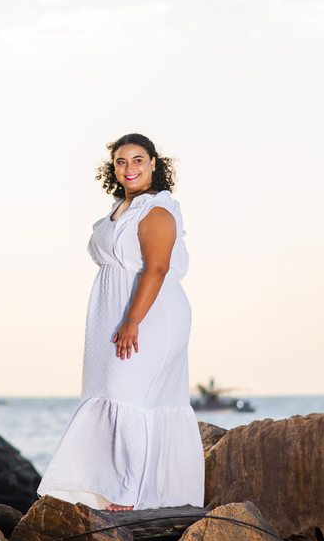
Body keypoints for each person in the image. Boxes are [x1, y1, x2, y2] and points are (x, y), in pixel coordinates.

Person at [37, 134, 204, 511]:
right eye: (121, 161)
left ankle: (129, 495)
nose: (129, 168)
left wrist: (132, 320)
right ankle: (113, 488)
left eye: (138, 160)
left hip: (150, 315)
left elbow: (158, 268)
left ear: (154, 164)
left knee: (128, 397)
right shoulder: (120, 209)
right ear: (112, 168)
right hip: (113, 315)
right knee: (112, 395)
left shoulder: (156, 211)